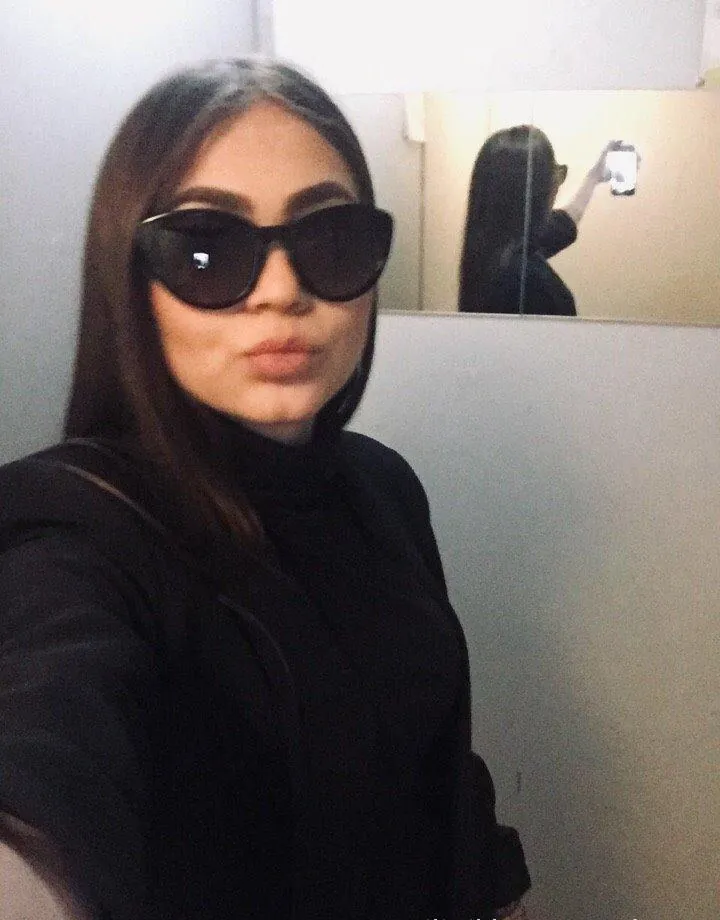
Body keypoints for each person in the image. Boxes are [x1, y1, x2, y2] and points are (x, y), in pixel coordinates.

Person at [0, 59, 532, 920]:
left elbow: (439, 772)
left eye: (330, 240)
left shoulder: (383, 489)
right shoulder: (74, 534)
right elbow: (51, 750)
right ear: (133, 282)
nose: (281, 292)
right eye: (208, 248)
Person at [458, 125, 613, 316]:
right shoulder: (532, 283)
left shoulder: (491, 250)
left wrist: (594, 177)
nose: (557, 185)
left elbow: (564, 222)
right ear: (537, 190)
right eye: (555, 174)